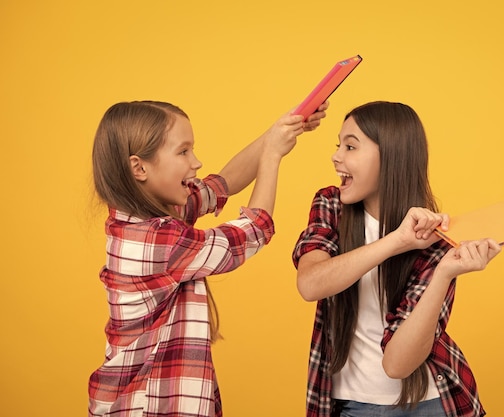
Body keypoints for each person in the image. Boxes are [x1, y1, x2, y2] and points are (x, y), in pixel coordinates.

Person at [88, 100, 327, 417]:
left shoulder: (144, 216)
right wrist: (272, 156)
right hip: (146, 406)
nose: (196, 162)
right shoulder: (154, 238)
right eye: (183, 151)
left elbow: (221, 184)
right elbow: (251, 231)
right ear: (139, 167)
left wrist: (278, 133)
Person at [292, 101, 501, 417]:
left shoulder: (434, 241)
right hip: (350, 404)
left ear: (390, 157)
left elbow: (397, 364)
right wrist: (397, 241)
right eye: (339, 145)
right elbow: (310, 284)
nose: (336, 156)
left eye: (351, 147)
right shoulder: (331, 205)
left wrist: (444, 273)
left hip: (432, 403)